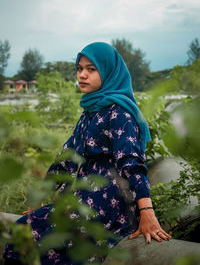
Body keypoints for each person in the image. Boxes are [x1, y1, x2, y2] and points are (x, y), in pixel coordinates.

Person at [4, 42, 171, 264]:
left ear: (108, 71)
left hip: (109, 205)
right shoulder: (91, 111)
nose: (82, 75)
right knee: (22, 229)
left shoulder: (119, 113)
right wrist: (38, 202)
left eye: (91, 69)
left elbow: (131, 163)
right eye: (79, 68)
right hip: (82, 200)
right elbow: (66, 159)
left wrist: (147, 212)